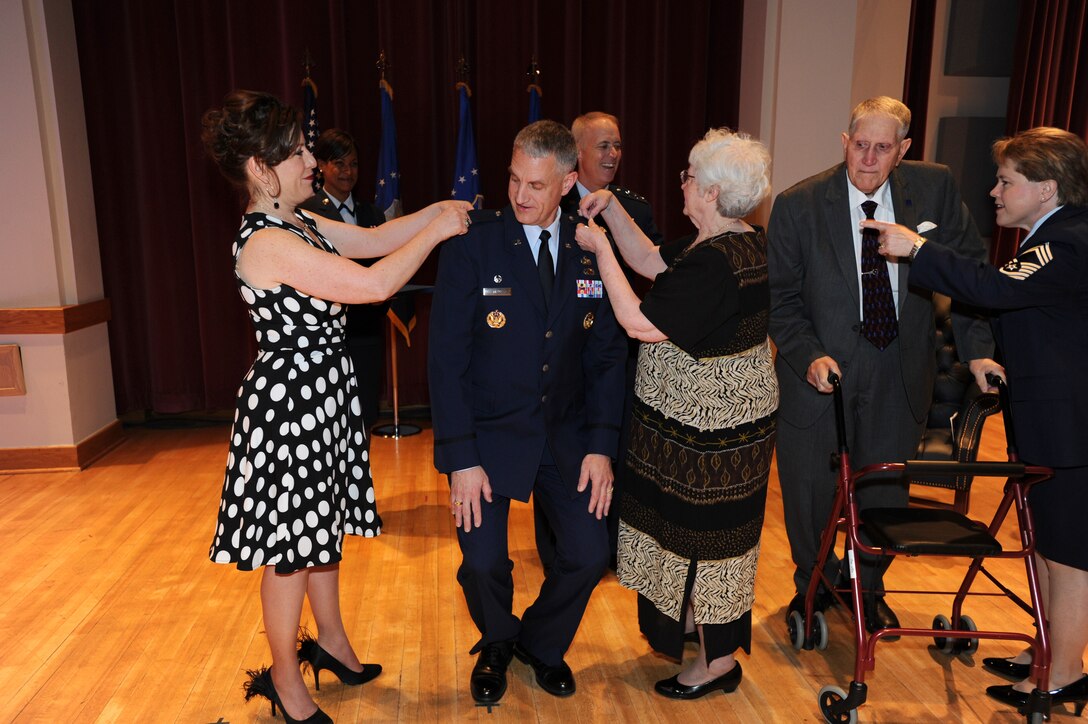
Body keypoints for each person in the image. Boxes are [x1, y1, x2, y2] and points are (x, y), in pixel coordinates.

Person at [201, 90, 471, 723]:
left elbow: (375, 239)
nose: (310, 162)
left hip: (322, 395)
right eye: (295, 153)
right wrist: (436, 232)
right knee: (290, 549)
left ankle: (333, 643)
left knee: (321, 532)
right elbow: (374, 285)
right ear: (259, 169)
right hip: (290, 406)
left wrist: (437, 208)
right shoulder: (265, 242)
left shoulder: (300, 221)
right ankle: (286, 684)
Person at [870, 126, 1088, 715]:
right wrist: (992, 356)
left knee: (1069, 552)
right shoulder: (1050, 236)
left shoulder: (1067, 241)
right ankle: (1045, 652)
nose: (994, 191)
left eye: (1006, 180)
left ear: (1046, 188)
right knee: (1045, 543)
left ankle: (1064, 672)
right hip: (1050, 421)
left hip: (1070, 429)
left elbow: (992, 288)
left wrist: (917, 249)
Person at [767, 96, 1000, 636]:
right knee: (810, 490)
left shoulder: (934, 188)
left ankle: (866, 589)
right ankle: (813, 587)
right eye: (860, 145)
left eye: (882, 148)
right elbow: (780, 300)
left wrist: (978, 350)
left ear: (904, 150)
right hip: (819, 376)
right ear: (844, 142)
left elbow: (966, 273)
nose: (868, 158)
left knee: (884, 489)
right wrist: (806, 355)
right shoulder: (799, 204)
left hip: (898, 371)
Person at [428, 120, 627, 705]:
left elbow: (608, 356)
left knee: (592, 552)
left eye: (536, 185)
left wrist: (601, 445)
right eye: (514, 179)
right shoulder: (474, 244)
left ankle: (538, 644)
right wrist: (460, 459)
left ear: (568, 182)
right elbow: (446, 362)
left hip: (565, 436)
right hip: (487, 437)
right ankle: (496, 640)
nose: (520, 195)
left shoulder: (591, 247)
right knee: (484, 563)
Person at [576, 128, 778, 698]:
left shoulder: (717, 262)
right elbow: (651, 258)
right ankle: (697, 624)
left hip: (716, 435)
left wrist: (600, 251)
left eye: (690, 176)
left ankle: (718, 664)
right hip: (701, 430)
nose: (682, 183)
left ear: (713, 193)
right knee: (691, 535)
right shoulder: (731, 240)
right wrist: (613, 211)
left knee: (712, 543)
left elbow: (641, 321)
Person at [532, 111, 664, 571]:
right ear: (577, 154)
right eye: (603, 146)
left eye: (618, 146)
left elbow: (660, 275)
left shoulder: (634, 209)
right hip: (564, 354)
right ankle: (557, 552)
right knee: (555, 451)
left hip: (620, 353)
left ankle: (608, 548)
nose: (613, 155)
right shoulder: (549, 202)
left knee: (614, 449)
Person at [299, 128, 388, 432]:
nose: (348, 172)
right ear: (321, 165)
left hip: (365, 333)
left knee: (363, 419)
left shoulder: (372, 213)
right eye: (340, 164)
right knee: (326, 424)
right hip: (321, 338)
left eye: (354, 164)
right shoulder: (305, 214)